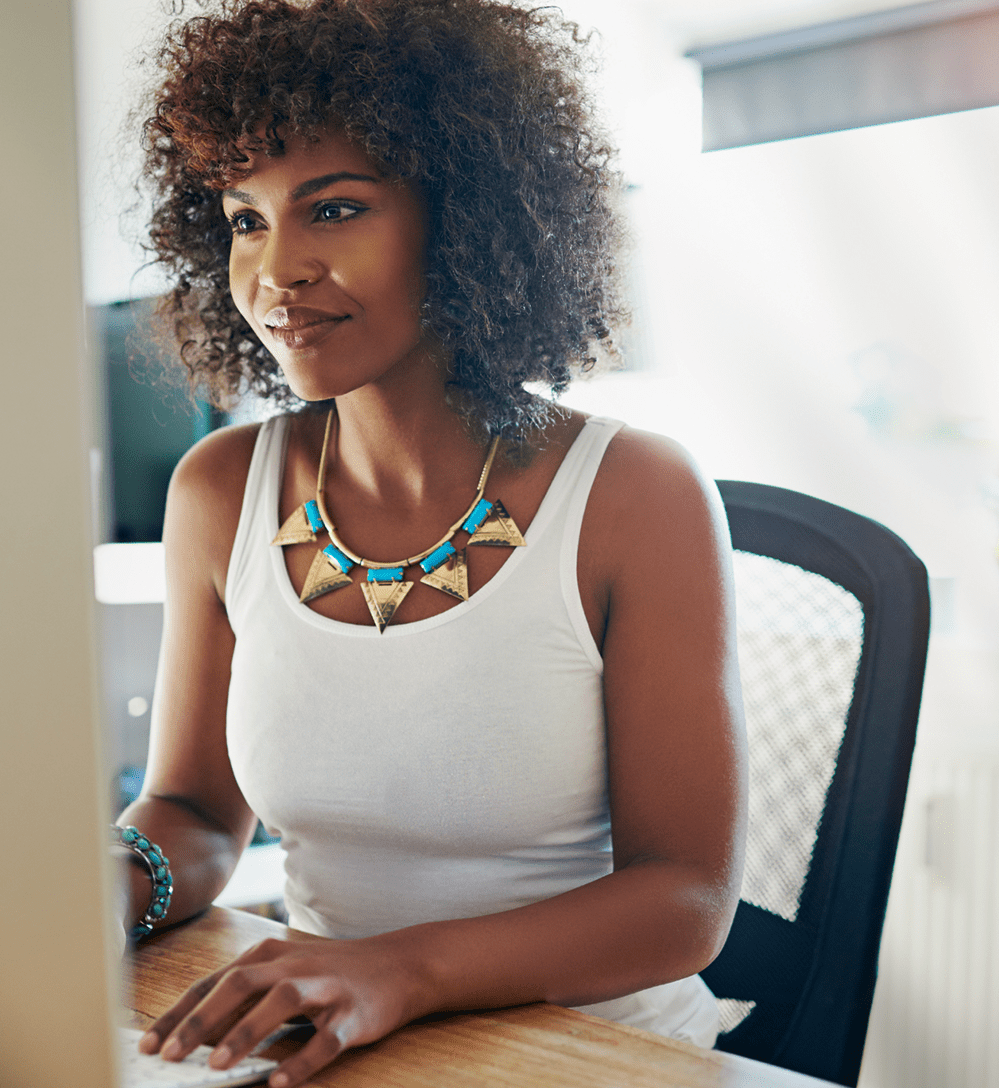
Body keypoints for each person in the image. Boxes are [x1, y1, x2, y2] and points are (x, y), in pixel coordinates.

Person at [114, 2, 747, 1085]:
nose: (276, 271)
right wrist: (111, 882)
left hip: (595, 1048)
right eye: (244, 220)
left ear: (466, 218)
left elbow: (683, 895)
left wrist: (396, 969)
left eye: (337, 207)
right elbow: (195, 812)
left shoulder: (638, 494)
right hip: (332, 1042)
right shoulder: (220, 490)